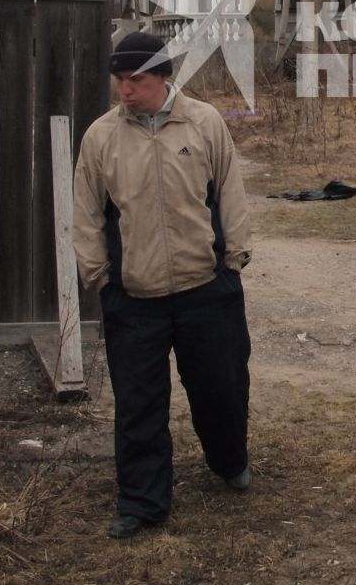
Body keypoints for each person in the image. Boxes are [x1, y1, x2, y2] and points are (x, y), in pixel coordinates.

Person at [74, 30, 255, 539]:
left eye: (136, 80)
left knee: (222, 388)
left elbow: (230, 193)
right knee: (138, 404)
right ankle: (142, 501)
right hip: (135, 296)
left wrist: (233, 261)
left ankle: (229, 462)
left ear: (163, 77)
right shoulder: (101, 137)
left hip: (207, 290)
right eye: (119, 81)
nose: (124, 91)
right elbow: (85, 212)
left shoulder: (204, 123)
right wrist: (100, 275)